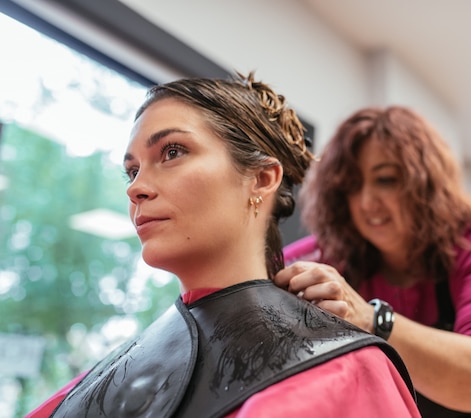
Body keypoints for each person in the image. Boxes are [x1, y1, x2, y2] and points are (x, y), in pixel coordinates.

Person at [26, 75, 421, 418]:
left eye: (172, 152)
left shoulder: (344, 370)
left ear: (263, 179)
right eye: (132, 170)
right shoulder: (102, 379)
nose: (135, 188)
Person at [277, 106, 471, 417]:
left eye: (385, 180)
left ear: (424, 183)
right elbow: (264, 270)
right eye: (352, 185)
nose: (367, 202)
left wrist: (374, 321)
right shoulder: (338, 252)